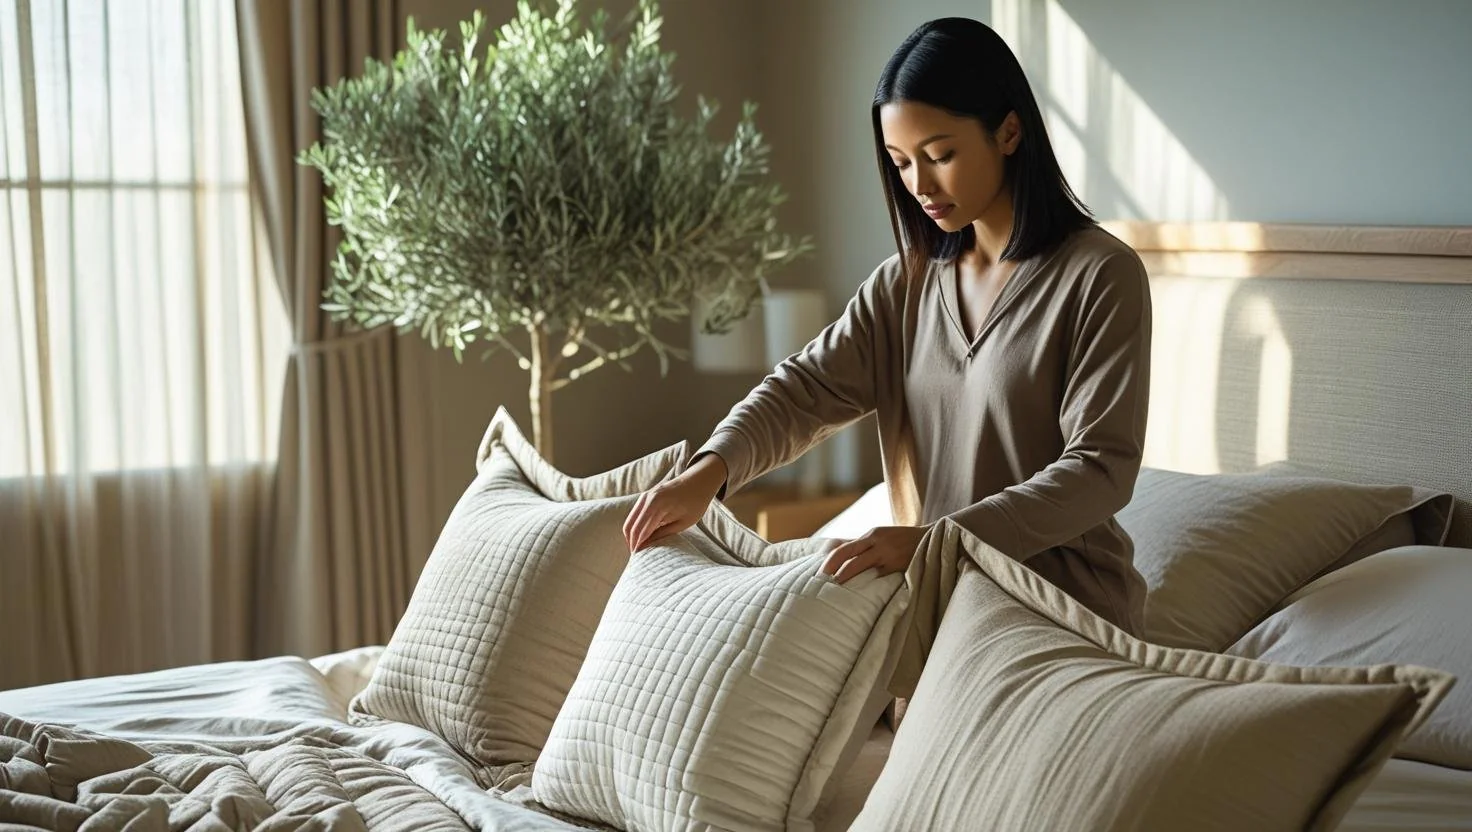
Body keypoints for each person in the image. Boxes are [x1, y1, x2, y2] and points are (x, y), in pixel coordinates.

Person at [622, 16, 1151, 634]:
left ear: (1009, 131)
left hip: (1063, 620)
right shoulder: (904, 285)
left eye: (940, 155)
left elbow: (1100, 469)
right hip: (937, 616)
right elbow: (802, 391)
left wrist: (937, 542)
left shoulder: (1101, 275)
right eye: (900, 163)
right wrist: (708, 474)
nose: (919, 185)